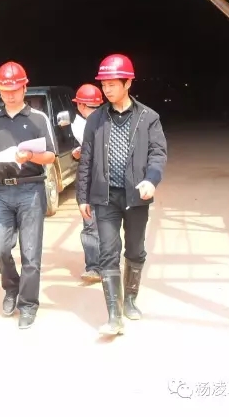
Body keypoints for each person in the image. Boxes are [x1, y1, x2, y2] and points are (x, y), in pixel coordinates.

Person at [76, 54, 167, 336]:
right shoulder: (96, 120)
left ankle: (129, 300)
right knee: (108, 252)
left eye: (113, 84)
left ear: (128, 83)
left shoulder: (148, 118)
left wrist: (151, 179)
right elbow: (86, 159)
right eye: (104, 85)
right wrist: (82, 196)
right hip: (105, 197)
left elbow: (158, 153)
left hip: (136, 197)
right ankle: (114, 315)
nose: (107, 90)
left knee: (135, 249)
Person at [0, 61, 57, 329]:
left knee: (31, 253)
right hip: (1, 190)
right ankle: (12, 287)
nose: (10, 95)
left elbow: (51, 156)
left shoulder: (38, 118)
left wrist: (30, 155)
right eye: (4, 90)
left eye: (14, 89)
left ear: (24, 88)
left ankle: (28, 305)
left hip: (30, 189)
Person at [71, 83, 104, 283]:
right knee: (103, 224)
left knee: (92, 224)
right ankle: (98, 267)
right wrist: (80, 153)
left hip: (95, 182)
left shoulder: (96, 124)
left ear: (81, 105)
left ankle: (96, 267)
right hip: (105, 183)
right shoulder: (111, 120)